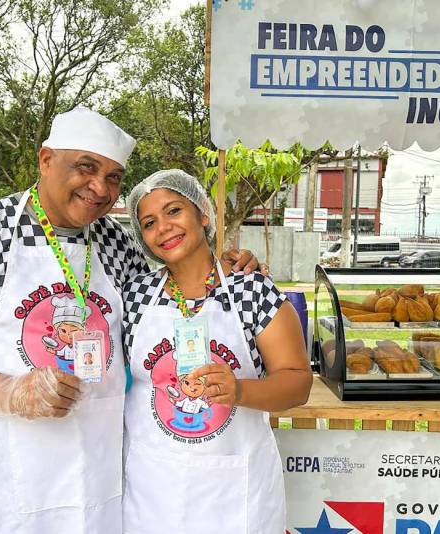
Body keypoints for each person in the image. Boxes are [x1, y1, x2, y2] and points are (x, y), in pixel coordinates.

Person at [0, 108, 258, 534]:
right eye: (86, 168)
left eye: (113, 177)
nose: (100, 188)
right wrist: (11, 392)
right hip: (6, 486)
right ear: (46, 160)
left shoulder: (116, 242)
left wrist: (228, 268)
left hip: (98, 489)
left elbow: (169, 301)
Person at [122, 169, 313, 533]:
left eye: (174, 210)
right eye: (149, 223)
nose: (163, 227)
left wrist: (239, 390)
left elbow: (298, 382)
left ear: (203, 214)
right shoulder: (134, 296)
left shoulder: (252, 290)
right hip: (153, 490)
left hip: (236, 494)